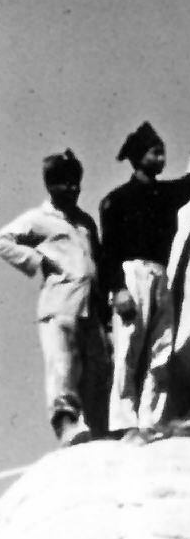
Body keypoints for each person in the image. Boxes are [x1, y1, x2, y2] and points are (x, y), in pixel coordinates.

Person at [100, 123, 190, 437]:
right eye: (153, 150)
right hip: (131, 274)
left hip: (161, 275)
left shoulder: (165, 194)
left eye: (161, 149)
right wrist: (118, 290)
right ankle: (124, 422)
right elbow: (107, 252)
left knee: (160, 351)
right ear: (137, 158)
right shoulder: (116, 200)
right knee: (129, 350)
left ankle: (153, 420)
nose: (160, 155)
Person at [0, 150, 109, 445]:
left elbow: (96, 260)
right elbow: (3, 239)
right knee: (64, 364)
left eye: (76, 183)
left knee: (98, 369)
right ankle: (65, 423)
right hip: (59, 303)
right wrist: (36, 260)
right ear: (50, 186)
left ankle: (98, 431)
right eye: (65, 183)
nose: (72, 189)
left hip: (90, 306)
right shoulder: (39, 219)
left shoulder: (85, 222)